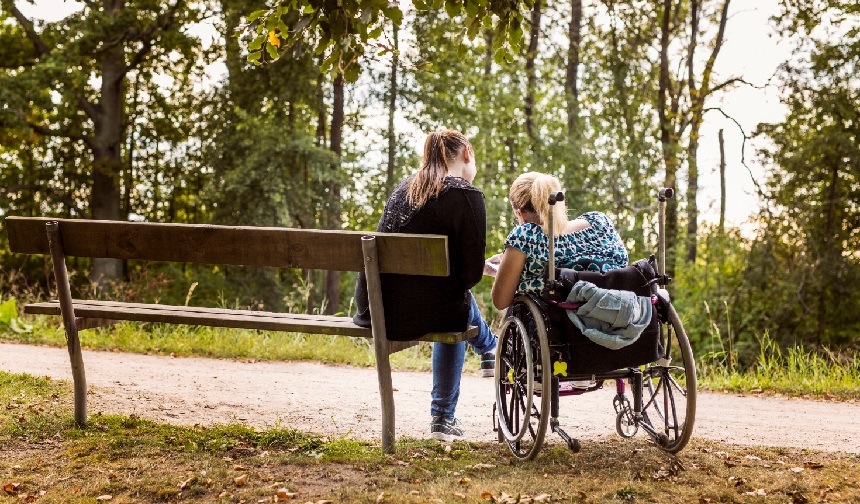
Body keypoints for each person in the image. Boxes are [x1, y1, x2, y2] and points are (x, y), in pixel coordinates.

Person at [353, 129, 497, 442]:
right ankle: (446, 412)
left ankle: (489, 349)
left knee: (452, 301)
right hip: (429, 314)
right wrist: (476, 269)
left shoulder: (405, 188)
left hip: (377, 310)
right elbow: (469, 278)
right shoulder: (466, 195)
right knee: (455, 304)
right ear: (467, 154)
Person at [489, 172, 628, 310]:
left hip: (564, 320)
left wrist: (504, 270)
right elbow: (621, 265)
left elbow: (500, 302)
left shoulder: (525, 236)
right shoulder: (599, 222)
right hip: (619, 312)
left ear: (521, 214)